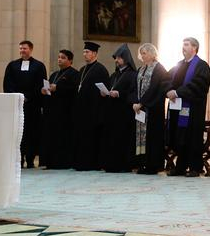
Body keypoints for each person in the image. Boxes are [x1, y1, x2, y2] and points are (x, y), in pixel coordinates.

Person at [166, 37, 210, 177]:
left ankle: (195, 168)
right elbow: (167, 80)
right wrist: (168, 90)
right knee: (179, 137)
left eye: (186, 45)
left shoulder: (201, 66)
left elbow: (199, 85)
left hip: (192, 109)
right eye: (183, 45)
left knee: (192, 137)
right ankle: (180, 167)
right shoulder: (178, 65)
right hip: (177, 108)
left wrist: (178, 92)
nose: (183, 47)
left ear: (194, 48)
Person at [3, 40, 48, 168]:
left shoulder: (39, 66)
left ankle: (30, 158)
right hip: (17, 105)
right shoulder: (12, 65)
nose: (22, 50)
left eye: (25, 48)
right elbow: (7, 83)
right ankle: (19, 159)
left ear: (31, 49)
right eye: (21, 48)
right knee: (18, 133)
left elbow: (41, 85)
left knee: (31, 132)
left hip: (32, 106)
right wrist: (17, 96)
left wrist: (29, 97)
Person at [100, 44, 138, 173]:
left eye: (119, 58)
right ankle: (111, 164)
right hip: (112, 113)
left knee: (123, 139)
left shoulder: (133, 75)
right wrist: (105, 93)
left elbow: (134, 93)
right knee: (112, 138)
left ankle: (123, 165)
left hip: (125, 113)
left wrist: (119, 94)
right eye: (115, 58)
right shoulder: (114, 75)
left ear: (126, 59)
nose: (116, 60)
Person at [72, 41, 110, 171]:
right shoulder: (82, 70)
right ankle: (80, 163)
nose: (84, 54)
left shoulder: (101, 70)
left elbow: (104, 92)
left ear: (94, 53)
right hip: (81, 111)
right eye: (84, 52)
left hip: (94, 111)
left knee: (92, 139)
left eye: (87, 52)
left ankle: (92, 163)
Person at [132, 43, 169, 175]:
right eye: (141, 53)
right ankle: (142, 164)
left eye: (145, 53)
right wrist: (135, 102)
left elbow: (154, 89)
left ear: (153, 54)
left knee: (152, 137)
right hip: (140, 109)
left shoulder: (159, 69)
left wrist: (142, 103)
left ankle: (153, 165)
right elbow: (135, 87)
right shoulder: (141, 69)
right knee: (141, 138)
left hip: (153, 109)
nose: (142, 56)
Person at [40, 49, 79, 169]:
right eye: (59, 57)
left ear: (70, 60)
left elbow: (74, 90)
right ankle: (50, 162)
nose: (60, 59)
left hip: (65, 112)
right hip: (52, 112)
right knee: (51, 137)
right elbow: (49, 89)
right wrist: (44, 91)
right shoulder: (54, 74)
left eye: (63, 57)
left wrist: (58, 88)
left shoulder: (74, 74)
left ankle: (63, 162)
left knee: (63, 138)